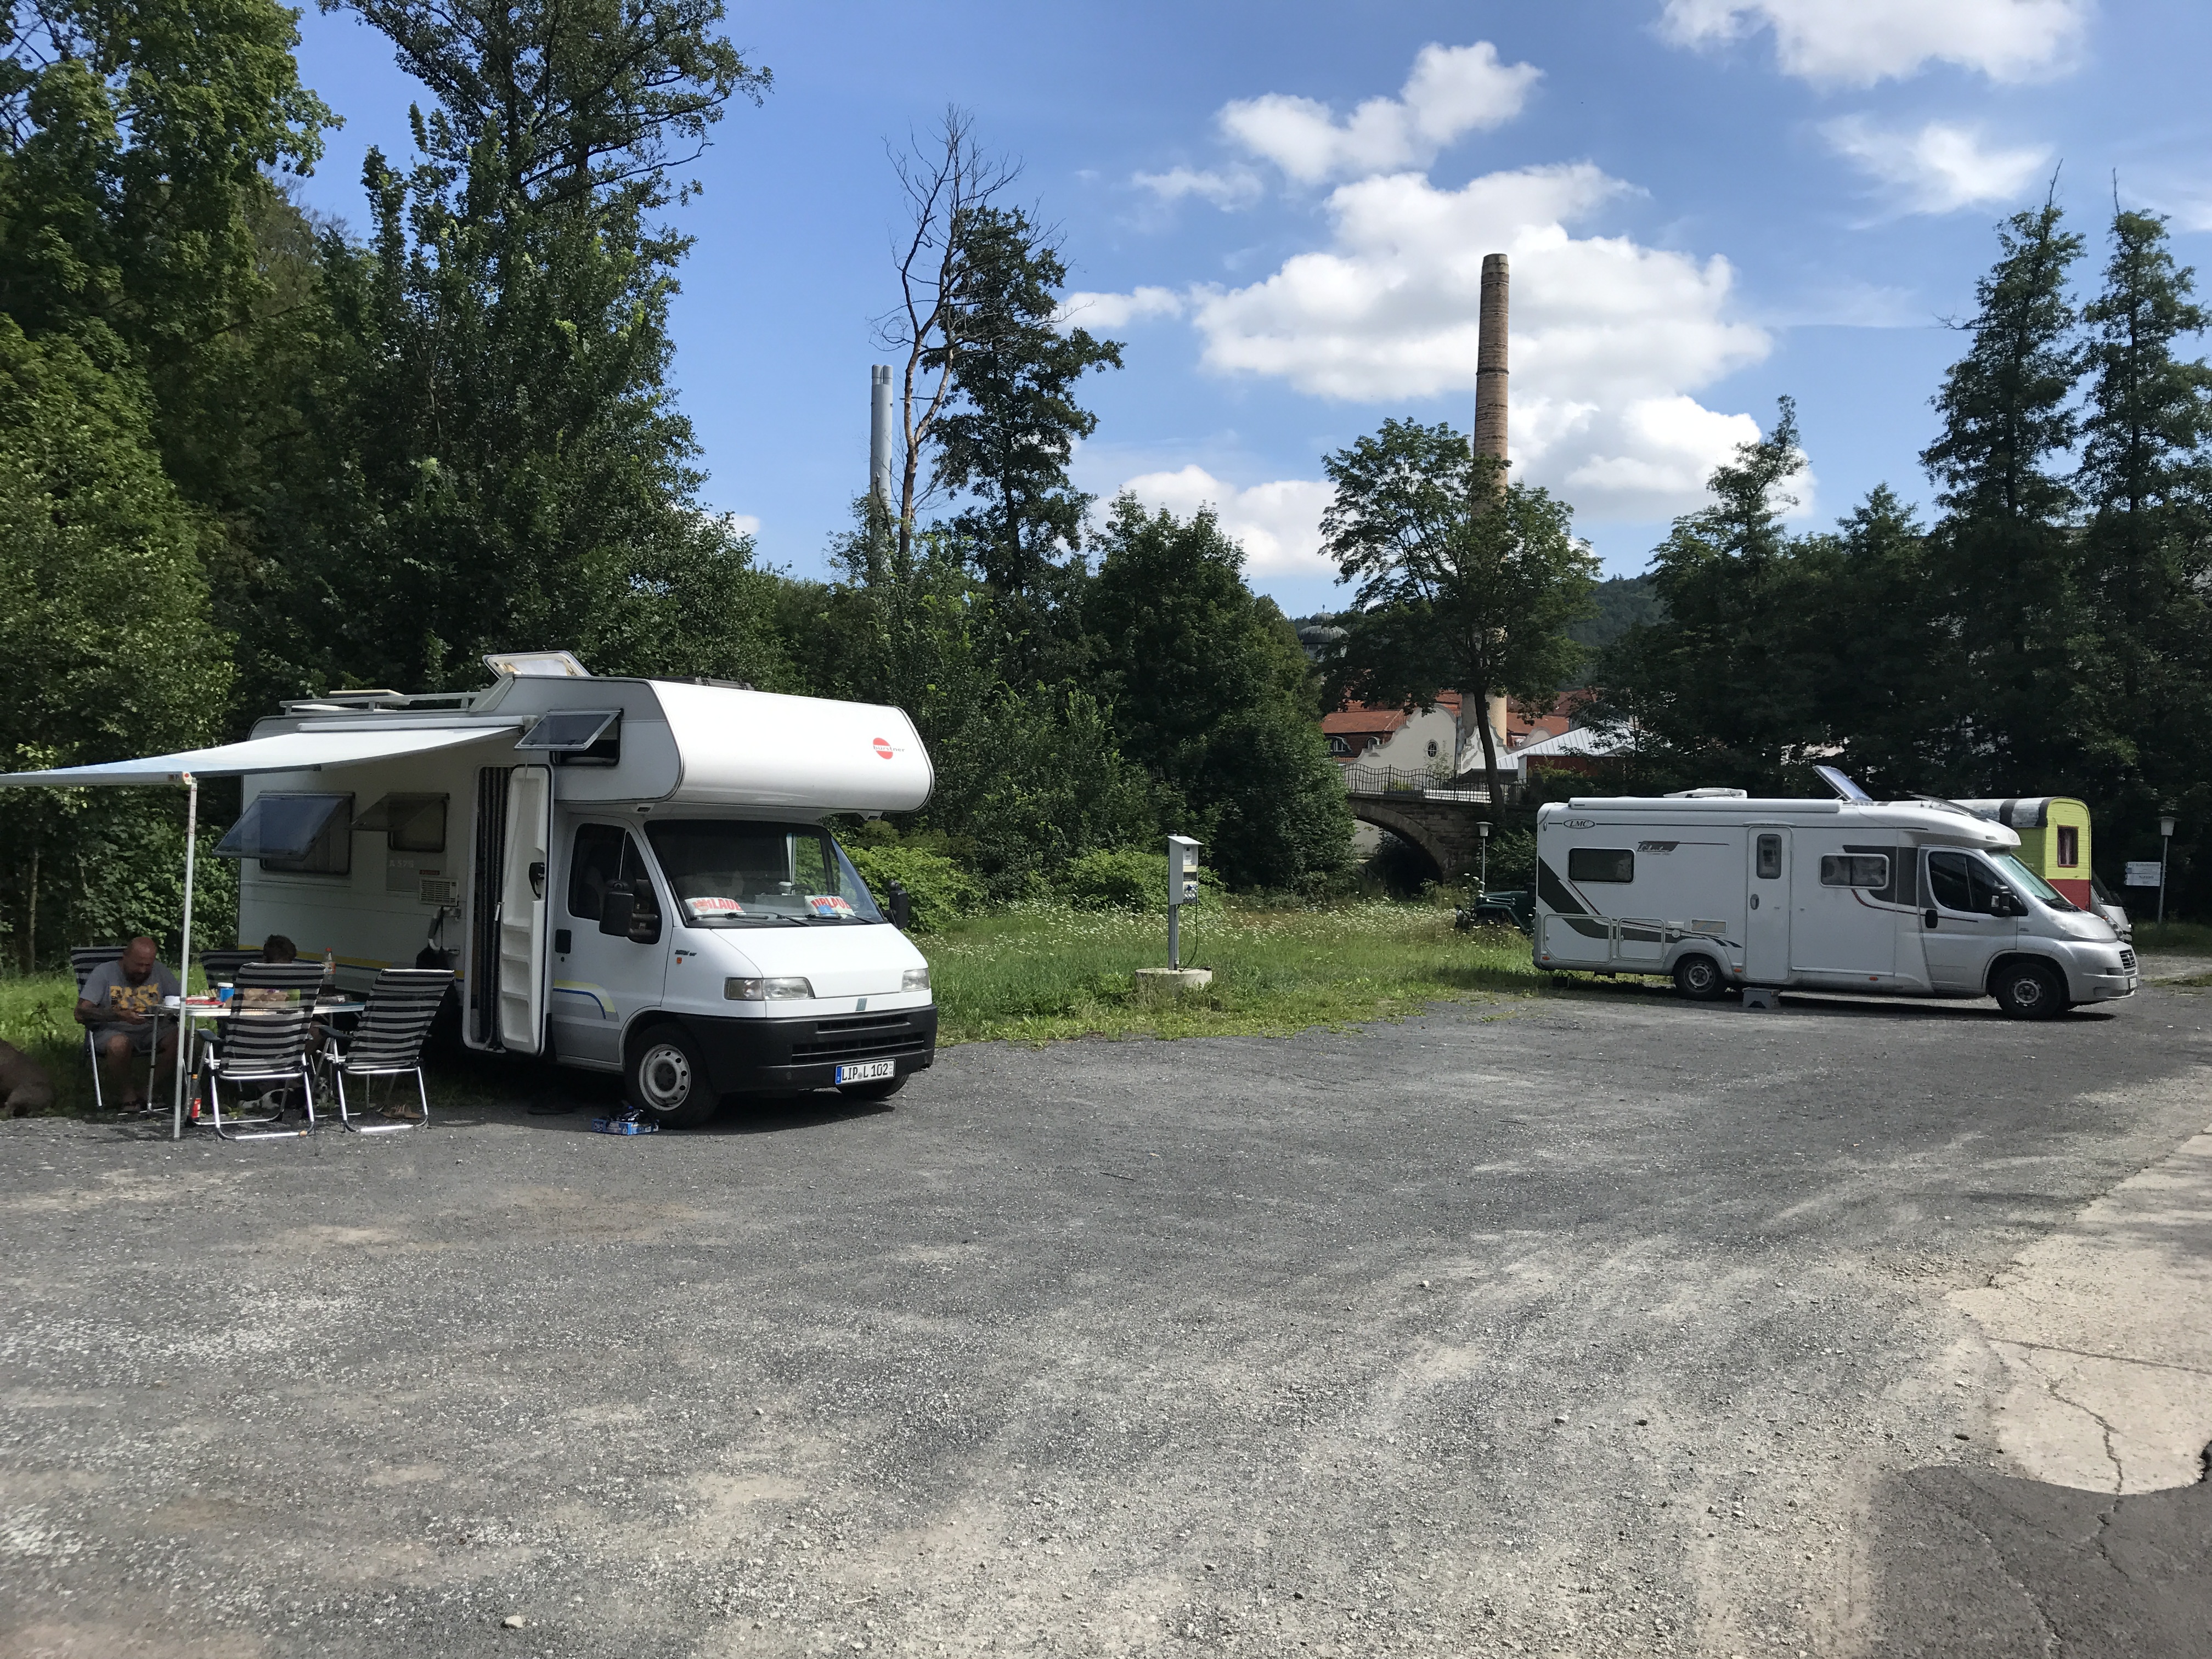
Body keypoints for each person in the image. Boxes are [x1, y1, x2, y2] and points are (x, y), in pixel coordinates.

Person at [75, 936, 179, 1111]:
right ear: (125, 957)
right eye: (138, 965)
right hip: (113, 1029)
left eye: (148, 965)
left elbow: (178, 1001)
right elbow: (80, 1013)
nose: (143, 970)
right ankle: (128, 1095)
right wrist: (117, 1015)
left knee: (181, 1037)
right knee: (119, 1044)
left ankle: (149, 1091)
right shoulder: (104, 973)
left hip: (152, 1029)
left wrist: (166, 1013)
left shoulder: (160, 971)